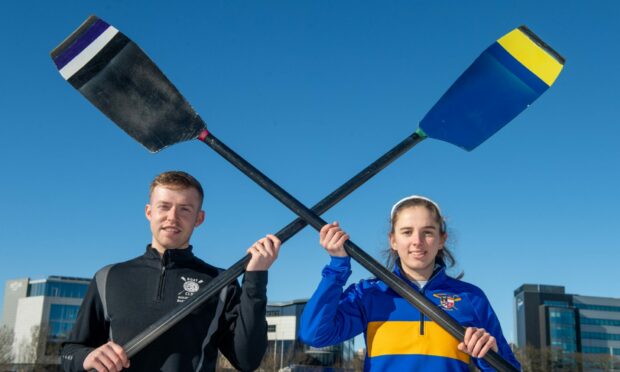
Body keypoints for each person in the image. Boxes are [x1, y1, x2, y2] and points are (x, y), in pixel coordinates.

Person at [61, 171, 281, 372]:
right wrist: (88, 357)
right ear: (149, 212)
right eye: (164, 206)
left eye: (185, 209)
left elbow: (247, 360)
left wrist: (256, 278)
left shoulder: (221, 282)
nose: (172, 217)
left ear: (199, 219)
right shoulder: (108, 277)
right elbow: (69, 353)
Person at [299, 195, 520, 371]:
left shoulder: (471, 297)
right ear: (393, 240)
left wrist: (490, 354)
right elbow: (315, 334)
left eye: (428, 232)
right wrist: (337, 266)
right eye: (407, 232)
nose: (417, 241)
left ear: (442, 240)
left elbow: (510, 368)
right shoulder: (369, 293)